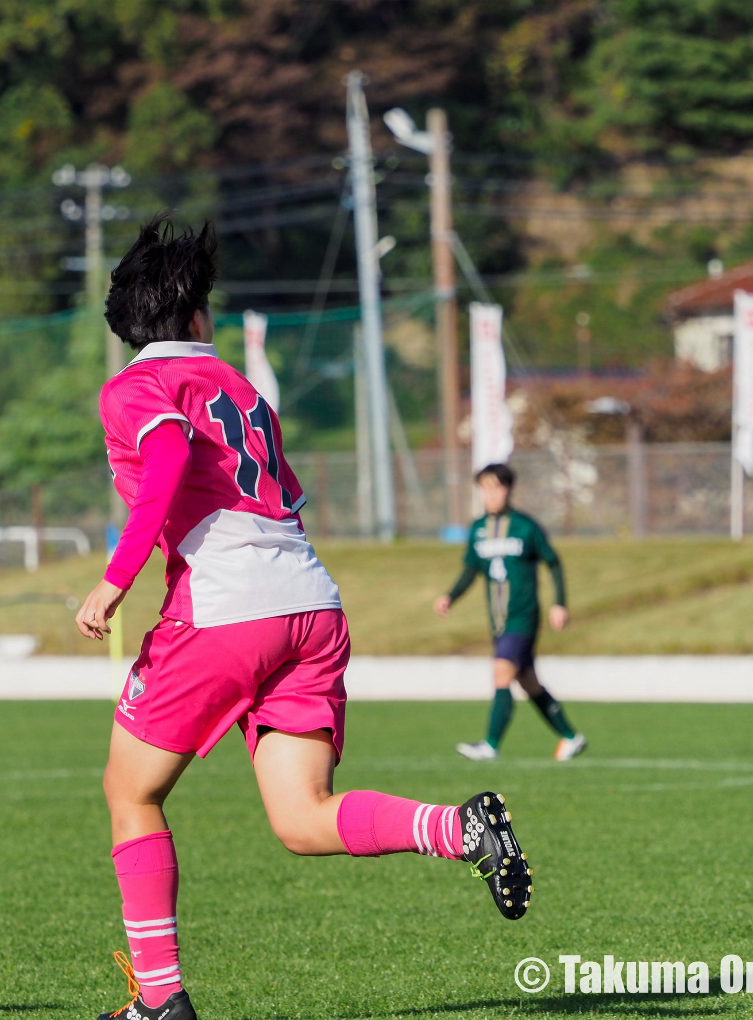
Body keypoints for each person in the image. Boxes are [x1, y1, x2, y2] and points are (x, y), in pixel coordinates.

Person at [75, 217, 533, 1020]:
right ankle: (460, 831)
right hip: (310, 603)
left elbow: (172, 460)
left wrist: (116, 580)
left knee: (129, 792)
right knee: (300, 819)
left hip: (224, 609)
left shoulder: (135, 388)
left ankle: (158, 1002)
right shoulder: (242, 389)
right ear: (195, 316)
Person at [434, 463, 587, 762]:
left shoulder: (525, 527)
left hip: (523, 615)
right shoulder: (478, 529)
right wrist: (450, 596)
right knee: (528, 681)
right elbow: (471, 570)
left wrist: (560, 603)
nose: (491, 494)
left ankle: (490, 744)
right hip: (498, 621)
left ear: (508, 490)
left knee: (502, 670)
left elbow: (553, 562)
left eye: (497, 487)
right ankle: (571, 737)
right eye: (485, 488)